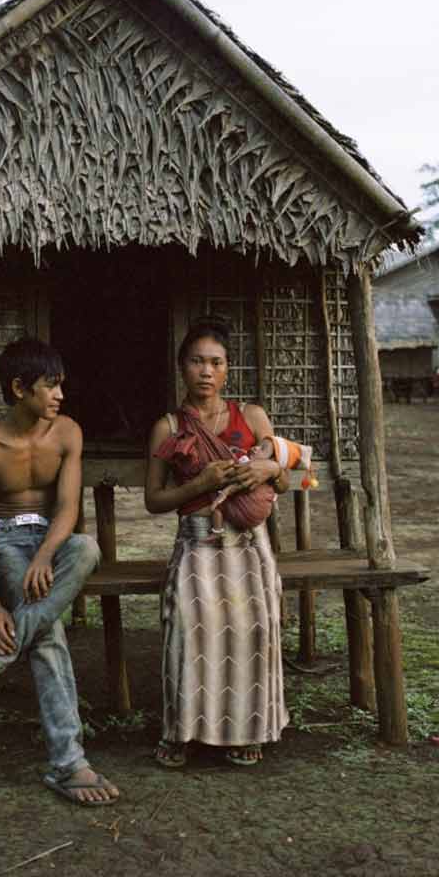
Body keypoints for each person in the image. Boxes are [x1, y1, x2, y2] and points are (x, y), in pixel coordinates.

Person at [0, 337, 119, 807]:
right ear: (19, 388)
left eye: (60, 386)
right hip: (8, 542)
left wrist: (47, 555)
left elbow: (69, 507)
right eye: (50, 386)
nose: (60, 395)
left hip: (51, 540)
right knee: (47, 632)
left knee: (87, 548)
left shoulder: (68, 433)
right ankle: (70, 764)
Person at [145, 318, 290, 768]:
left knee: (255, 629)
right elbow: (154, 500)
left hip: (248, 546)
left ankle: (247, 731)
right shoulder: (167, 427)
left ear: (227, 370)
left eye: (216, 363)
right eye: (196, 362)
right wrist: (200, 484)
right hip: (196, 547)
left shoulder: (251, 417)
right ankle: (181, 731)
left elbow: (286, 476)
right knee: (190, 627)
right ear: (181, 367)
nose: (206, 371)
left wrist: (269, 471)